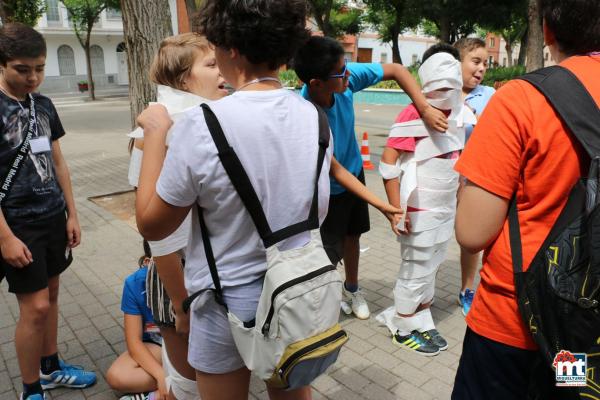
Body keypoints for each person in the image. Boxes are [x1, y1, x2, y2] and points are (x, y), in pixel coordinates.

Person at [135, 1, 400, 399]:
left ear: (231, 48)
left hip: (226, 299)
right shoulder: (313, 117)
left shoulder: (200, 125)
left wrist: (155, 133)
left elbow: (153, 225)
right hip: (296, 291)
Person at [451, 0, 600, 397]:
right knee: (569, 391)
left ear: (548, 31)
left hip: (513, 326)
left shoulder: (521, 98)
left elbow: (472, 232)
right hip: (582, 333)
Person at [293, 36, 448, 320]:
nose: (349, 74)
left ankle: (352, 289)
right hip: (327, 186)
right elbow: (334, 170)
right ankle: (321, 303)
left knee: (353, 236)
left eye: (347, 66)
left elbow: (398, 70)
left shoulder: (345, 81)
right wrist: (383, 205)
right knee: (328, 250)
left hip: (354, 173)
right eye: (341, 72)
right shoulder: (306, 114)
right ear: (316, 83)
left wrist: (424, 108)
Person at [128, 32, 228, 400]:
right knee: (189, 384)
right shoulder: (159, 131)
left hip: (210, 274)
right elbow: (161, 237)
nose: (223, 72)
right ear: (183, 79)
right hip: (179, 281)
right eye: (211, 64)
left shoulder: (202, 120)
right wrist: (181, 303)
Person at [0, 23, 96, 400]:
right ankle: (30, 389)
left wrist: (72, 213)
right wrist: (5, 237)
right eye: (23, 69)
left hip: (53, 216)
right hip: (17, 224)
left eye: (39, 68)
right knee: (36, 306)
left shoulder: (44, 104)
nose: (33, 77)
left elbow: (58, 162)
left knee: (52, 295)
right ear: (3, 63)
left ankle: (51, 368)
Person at [376, 46, 476, 356]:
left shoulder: (461, 115)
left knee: (430, 267)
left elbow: (458, 165)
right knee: (416, 268)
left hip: (445, 209)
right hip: (417, 211)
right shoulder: (413, 113)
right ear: (429, 85)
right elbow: (388, 163)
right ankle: (403, 326)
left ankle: (421, 316)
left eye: (453, 86)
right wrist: (395, 210)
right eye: (442, 86)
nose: (449, 93)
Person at [452, 37, 495, 317]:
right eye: (475, 61)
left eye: (485, 64)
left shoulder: (490, 95)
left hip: (472, 180)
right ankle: (421, 293)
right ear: (457, 63)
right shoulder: (442, 91)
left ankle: (468, 289)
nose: (481, 69)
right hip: (439, 179)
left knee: (470, 240)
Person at [106, 241, 166, 400]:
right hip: (158, 344)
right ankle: (174, 387)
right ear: (148, 262)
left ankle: (156, 395)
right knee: (116, 376)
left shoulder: (191, 277)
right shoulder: (135, 283)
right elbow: (134, 343)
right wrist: (160, 375)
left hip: (187, 345)